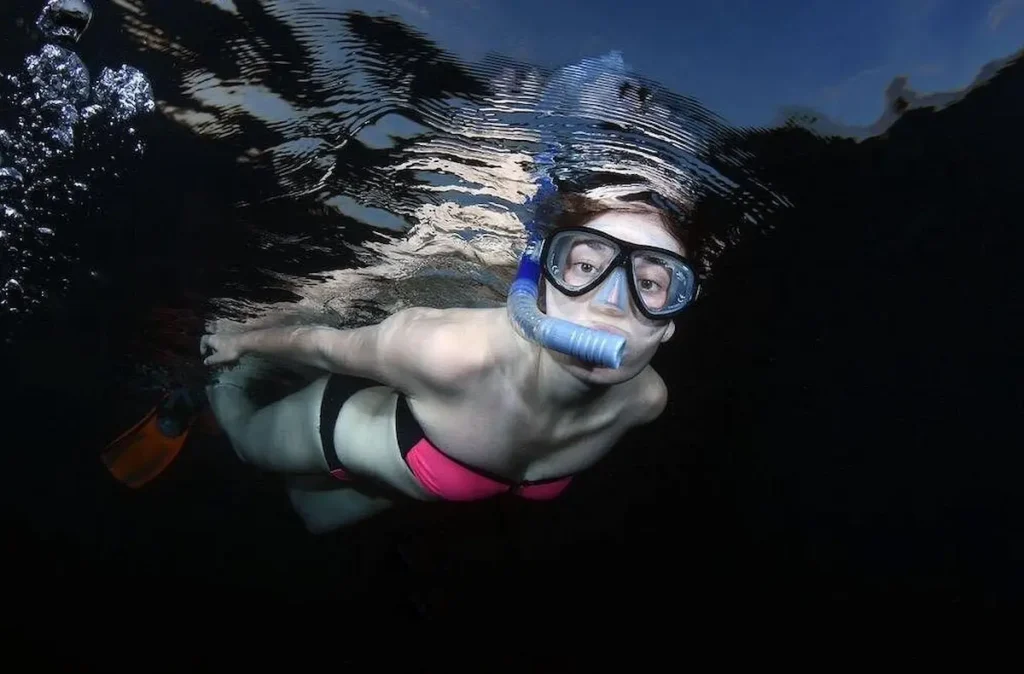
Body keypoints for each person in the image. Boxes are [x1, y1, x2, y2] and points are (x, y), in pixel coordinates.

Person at [105, 189, 702, 534]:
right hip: (347, 434)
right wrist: (239, 340)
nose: (608, 304)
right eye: (584, 266)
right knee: (243, 445)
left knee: (307, 516)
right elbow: (320, 343)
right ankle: (204, 391)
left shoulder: (646, 403)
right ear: (538, 290)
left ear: (669, 326)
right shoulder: (445, 350)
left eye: (651, 283)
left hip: (411, 488)